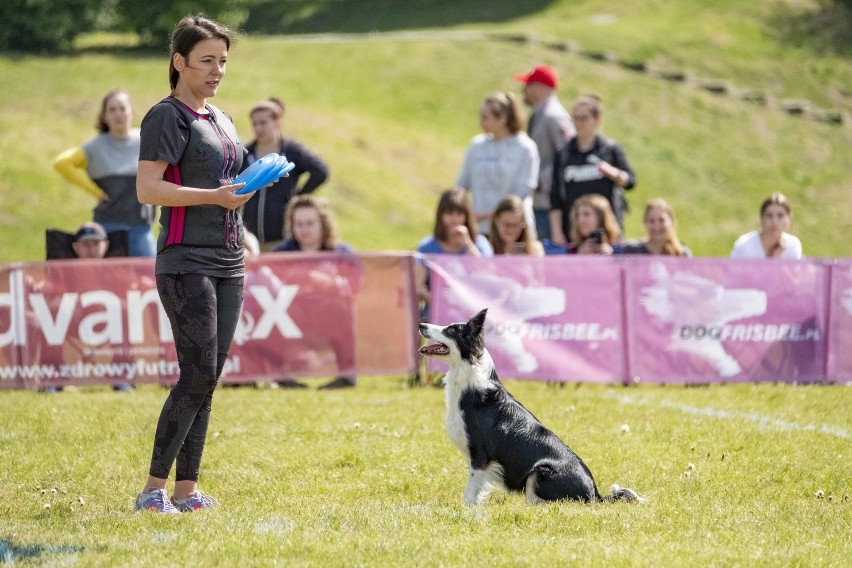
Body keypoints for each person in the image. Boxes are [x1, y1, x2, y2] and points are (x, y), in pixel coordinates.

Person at [133, 15, 255, 514]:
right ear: (179, 62)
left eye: (223, 61)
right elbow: (148, 188)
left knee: (209, 376)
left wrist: (251, 187)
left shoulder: (221, 117)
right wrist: (215, 196)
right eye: (207, 60)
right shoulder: (166, 116)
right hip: (186, 261)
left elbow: (229, 187)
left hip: (230, 260)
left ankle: (187, 492)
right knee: (197, 372)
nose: (217, 70)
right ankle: (152, 491)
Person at [53, 89, 156, 258]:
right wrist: (94, 191)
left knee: (150, 278)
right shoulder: (95, 147)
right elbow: (62, 163)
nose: (118, 114)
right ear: (104, 116)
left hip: (141, 228)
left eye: (122, 108)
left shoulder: (147, 141)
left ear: (131, 112)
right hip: (107, 228)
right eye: (112, 110)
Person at [273, 195, 357, 390]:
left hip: (330, 317)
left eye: (310, 223)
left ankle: (346, 376)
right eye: (299, 224)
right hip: (291, 316)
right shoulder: (280, 255)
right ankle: (280, 376)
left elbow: (354, 286)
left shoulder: (342, 254)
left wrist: (326, 282)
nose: (304, 229)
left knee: (341, 309)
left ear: (323, 224)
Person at [241, 97, 330, 251]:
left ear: (277, 122)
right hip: (251, 239)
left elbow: (320, 171)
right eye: (255, 123)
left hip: (283, 239)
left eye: (263, 123)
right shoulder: (246, 153)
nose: (258, 128)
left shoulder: (291, 150)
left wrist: (297, 198)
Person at [550, 94, 636, 245]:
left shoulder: (610, 149)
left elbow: (630, 181)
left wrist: (613, 173)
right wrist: (557, 232)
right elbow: (555, 198)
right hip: (574, 231)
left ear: (597, 119)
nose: (579, 123)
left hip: (606, 231)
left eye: (584, 118)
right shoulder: (564, 154)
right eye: (575, 118)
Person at [455, 92, 540, 238]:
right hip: (481, 229)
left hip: (516, 232)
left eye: (485, 118)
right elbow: (461, 185)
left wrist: (493, 215)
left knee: (517, 261)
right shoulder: (476, 145)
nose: (481, 123)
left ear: (502, 119)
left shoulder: (526, 148)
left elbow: (524, 190)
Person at [515, 64, 575, 242]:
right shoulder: (541, 114)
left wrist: (538, 180)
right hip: (540, 202)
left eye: (527, 85)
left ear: (539, 88)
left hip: (548, 204)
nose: (523, 90)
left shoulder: (553, 116)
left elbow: (568, 156)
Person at [415, 189, 493, 321]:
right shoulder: (427, 247)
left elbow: (488, 277)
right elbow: (417, 286)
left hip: (472, 316)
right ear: (441, 216)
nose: (454, 220)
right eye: (449, 214)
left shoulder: (480, 244)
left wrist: (468, 245)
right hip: (436, 317)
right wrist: (440, 303)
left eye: (459, 214)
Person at [730, 193, 802, 259]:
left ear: (789, 218)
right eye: (769, 215)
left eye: (780, 216)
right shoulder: (744, 245)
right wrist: (772, 259)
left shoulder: (793, 245)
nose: (774, 221)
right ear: (761, 218)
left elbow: (795, 273)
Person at [622, 199, 692, 256]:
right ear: (645, 223)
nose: (656, 226)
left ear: (671, 222)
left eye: (662, 220)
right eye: (651, 221)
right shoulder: (631, 251)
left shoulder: (682, 254)